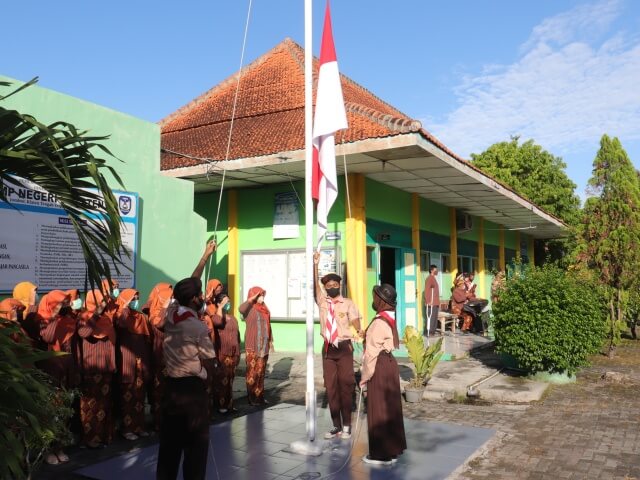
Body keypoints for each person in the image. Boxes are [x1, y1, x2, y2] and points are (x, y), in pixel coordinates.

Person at [155, 276, 216, 480]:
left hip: (171, 389)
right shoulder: (198, 327)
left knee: (169, 448)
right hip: (192, 391)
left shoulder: (170, 317)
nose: (202, 298)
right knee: (195, 450)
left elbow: (186, 287)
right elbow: (209, 362)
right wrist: (207, 380)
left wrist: (204, 259)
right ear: (193, 300)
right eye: (199, 296)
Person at [313, 251, 362, 440]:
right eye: (328, 286)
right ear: (325, 288)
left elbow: (355, 320)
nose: (332, 288)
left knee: (346, 385)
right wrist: (315, 264)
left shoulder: (348, 303)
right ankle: (336, 425)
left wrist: (359, 330)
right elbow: (314, 285)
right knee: (331, 387)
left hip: (344, 347)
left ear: (339, 285)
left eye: (334, 285)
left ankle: (347, 424)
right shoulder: (322, 301)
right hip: (328, 349)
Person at [359, 283, 407, 465]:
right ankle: (393, 450)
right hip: (390, 364)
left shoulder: (379, 322)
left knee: (378, 409)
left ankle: (380, 454)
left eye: (375, 297)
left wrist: (364, 377)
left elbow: (371, 354)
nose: (373, 300)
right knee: (390, 408)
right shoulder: (388, 317)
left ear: (381, 301)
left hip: (379, 366)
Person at [38, 290, 75, 465]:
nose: (62, 306)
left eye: (64, 303)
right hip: (50, 370)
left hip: (66, 370)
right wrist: (53, 316)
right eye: (59, 303)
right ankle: (47, 451)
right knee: (50, 412)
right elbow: (48, 337)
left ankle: (59, 447)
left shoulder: (67, 320)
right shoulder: (40, 319)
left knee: (64, 411)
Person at [78, 289, 117, 448]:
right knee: (90, 406)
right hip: (91, 369)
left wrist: (113, 364)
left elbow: (112, 343)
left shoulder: (106, 319)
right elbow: (84, 333)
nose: (104, 304)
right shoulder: (84, 317)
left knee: (104, 405)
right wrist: (96, 314)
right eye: (101, 301)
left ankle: (103, 437)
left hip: (106, 368)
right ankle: (90, 439)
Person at [115, 288, 152, 440]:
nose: (135, 301)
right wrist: (124, 308)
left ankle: (139, 426)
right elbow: (121, 325)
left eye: (137, 298)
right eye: (132, 298)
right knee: (127, 397)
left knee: (139, 396)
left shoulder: (141, 318)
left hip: (140, 362)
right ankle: (127, 429)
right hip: (126, 362)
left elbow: (147, 340)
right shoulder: (120, 316)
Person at [145, 282, 173, 433]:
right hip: (159, 360)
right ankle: (158, 422)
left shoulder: (170, 313)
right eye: (169, 298)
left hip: (171, 359)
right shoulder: (154, 315)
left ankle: (168, 421)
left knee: (170, 392)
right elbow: (161, 324)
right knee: (159, 392)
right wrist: (165, 308)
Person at [239, 286, 273, 406]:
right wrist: (251, 299)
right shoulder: (249, 309)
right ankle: (252, 398)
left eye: (263, 294)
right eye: (260, 295)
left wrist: (269, 341)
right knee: (252, 373)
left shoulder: (264, 309)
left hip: (263, 346)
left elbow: (269, 327)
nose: (262, 297)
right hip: (252, 346)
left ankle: (259, 397)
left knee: (261, 373)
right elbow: (241, 309)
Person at [212, 290, 240, 414]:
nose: (228, 303)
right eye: (225, 302)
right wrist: (220, 308)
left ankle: (229, 404)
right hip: (223, 353)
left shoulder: (233, 318)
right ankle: (220, 405)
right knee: (221, 381)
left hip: (233, 353)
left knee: (230, 380)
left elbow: (237, 336)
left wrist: (238, 352)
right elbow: (217, 322)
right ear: (218, 303)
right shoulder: (216, 316)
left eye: (229, 301)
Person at [423, 265, 440, 336]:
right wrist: (428, 301)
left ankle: (433, 331)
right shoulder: (429, 278)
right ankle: (429, 332)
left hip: (435, 302)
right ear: (432, 270)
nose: (437, 271)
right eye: (436, 270)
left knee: (435, 317)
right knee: (431, 317)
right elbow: (427, 290)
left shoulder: (433, 278)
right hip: (431, 302)